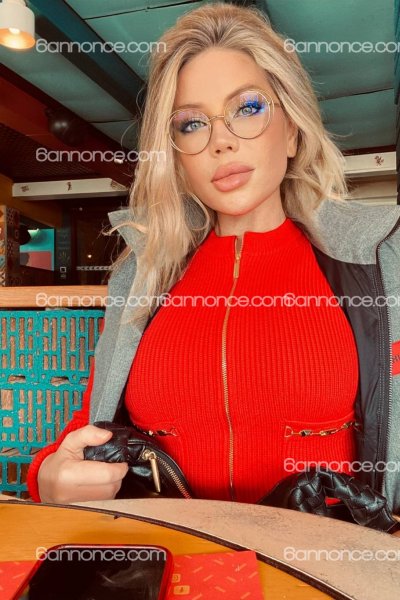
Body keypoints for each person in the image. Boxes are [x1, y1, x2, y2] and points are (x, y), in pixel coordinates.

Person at [27, 3, 400, 525]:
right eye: (192, 123)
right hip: (172, 558)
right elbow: (91, 421)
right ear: (177, 155)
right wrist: (47, 473)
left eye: (248, 108)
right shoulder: (142, 276)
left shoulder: (378, 264)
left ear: (293, 131)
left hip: (316, 564)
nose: (221, 141)